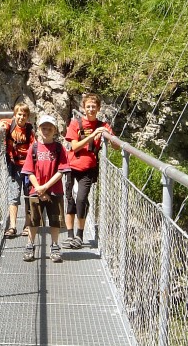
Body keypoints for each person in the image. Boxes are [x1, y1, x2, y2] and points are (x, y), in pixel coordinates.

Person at [63, 93, 117, 249]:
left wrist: (110, 137)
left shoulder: (103, 126)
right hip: (71, 166)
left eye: (94, 106)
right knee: (70, 201)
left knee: (81, 199)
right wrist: (93, 135)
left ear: (98, 108)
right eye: (88, 106)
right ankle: (70, 235)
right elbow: (74, 146)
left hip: (88, 168)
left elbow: (115, 145)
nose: (91, 109)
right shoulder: (75, 123)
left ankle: (79, 235)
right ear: (83, 108)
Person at [21, 114, 70, 263]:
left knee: (55, 220)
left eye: (49, 128)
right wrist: (38, 188)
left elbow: (61, 171)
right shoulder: (34, 148)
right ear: (38, 129)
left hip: (54, 190)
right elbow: (29, 171)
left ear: (55, 130)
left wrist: (45, 188)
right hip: (36, 190)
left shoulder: (59, 148)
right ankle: (30, 245)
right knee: (34, 220)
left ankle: (55, 246)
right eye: (43, 128)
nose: (46, 131)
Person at [0, 102, 35, 237]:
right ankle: (13, 226)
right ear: (15, 115)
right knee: (13, 196)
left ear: (28, 117)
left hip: (27, 166)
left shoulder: (29, 131)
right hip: (14, 166)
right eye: (19, 114)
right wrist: (0, 125)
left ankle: (27, 225)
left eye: (24, 115)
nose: (21, 118)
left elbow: (34, 148)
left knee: (28, 195)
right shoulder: (10, 123)